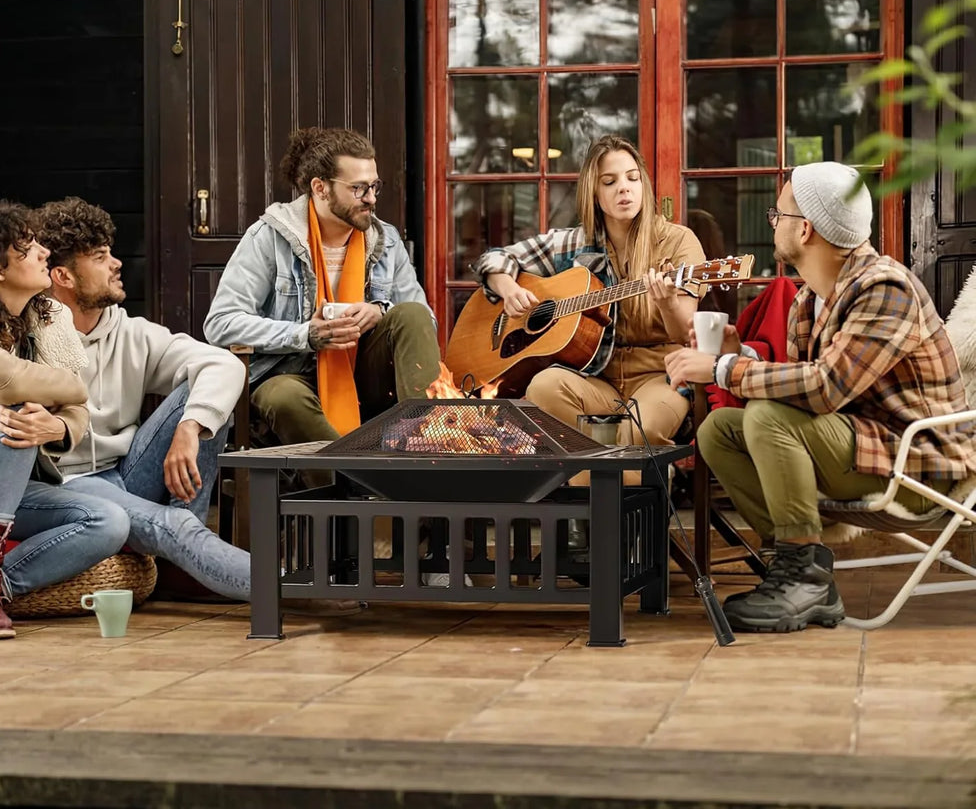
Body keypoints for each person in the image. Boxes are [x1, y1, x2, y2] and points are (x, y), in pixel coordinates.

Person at [665, 161, 976, 633]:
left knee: (767, 416)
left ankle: (802, 578)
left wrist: (723, 369)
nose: (773, 223)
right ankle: (800, 571)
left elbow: (825, 388)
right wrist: (739, 352)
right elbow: (801, 382)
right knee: (720, 431)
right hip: (859, 446)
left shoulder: (885, 288)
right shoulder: (810, 298)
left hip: (920, 465)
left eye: (778, 214)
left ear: (805, 229)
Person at [32, 197, 253, 601]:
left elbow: (225, 364)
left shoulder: (130, 332)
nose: (116, 263)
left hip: (126, 472)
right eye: (99, 257)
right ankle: (295, 585)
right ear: (62, 275)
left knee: (202, 396)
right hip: (67, 484)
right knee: (175, 528)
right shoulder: (31, 338)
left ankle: (180, 565)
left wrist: (191, 426)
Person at [0, 201, 128, 640]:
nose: (44, 252)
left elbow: (75, 414)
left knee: (109, 521)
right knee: (14, 410)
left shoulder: (46, 320)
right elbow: (4, 380)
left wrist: (60, 427)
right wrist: (75, 387)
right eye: (27, 248)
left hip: (3, 488)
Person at [202, 126, 441, 449]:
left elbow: (425, 321)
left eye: (374, 186)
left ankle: (431, 449)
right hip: (291, 372)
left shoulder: (386, 239)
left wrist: (378, 311)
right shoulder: (269, 238)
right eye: (358, 188)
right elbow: (221, 323)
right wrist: (305, 335)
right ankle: (356, 485)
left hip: (363, 370)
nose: (371, 199)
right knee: (283, 396)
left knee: (411, 314)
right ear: (321, 188)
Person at [474, 134, 706, 455]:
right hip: (598, 378)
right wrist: (509, 288)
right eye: (609, 182)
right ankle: (597, 497)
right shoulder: (576, 243)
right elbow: (494, 258)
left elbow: (686, 331)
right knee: (544, 386)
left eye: (632, 178)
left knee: (641, 430)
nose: (624, 188)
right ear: (594, 195)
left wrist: (666, 302)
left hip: (661, 375)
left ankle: (613, 498)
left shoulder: (678, 241)